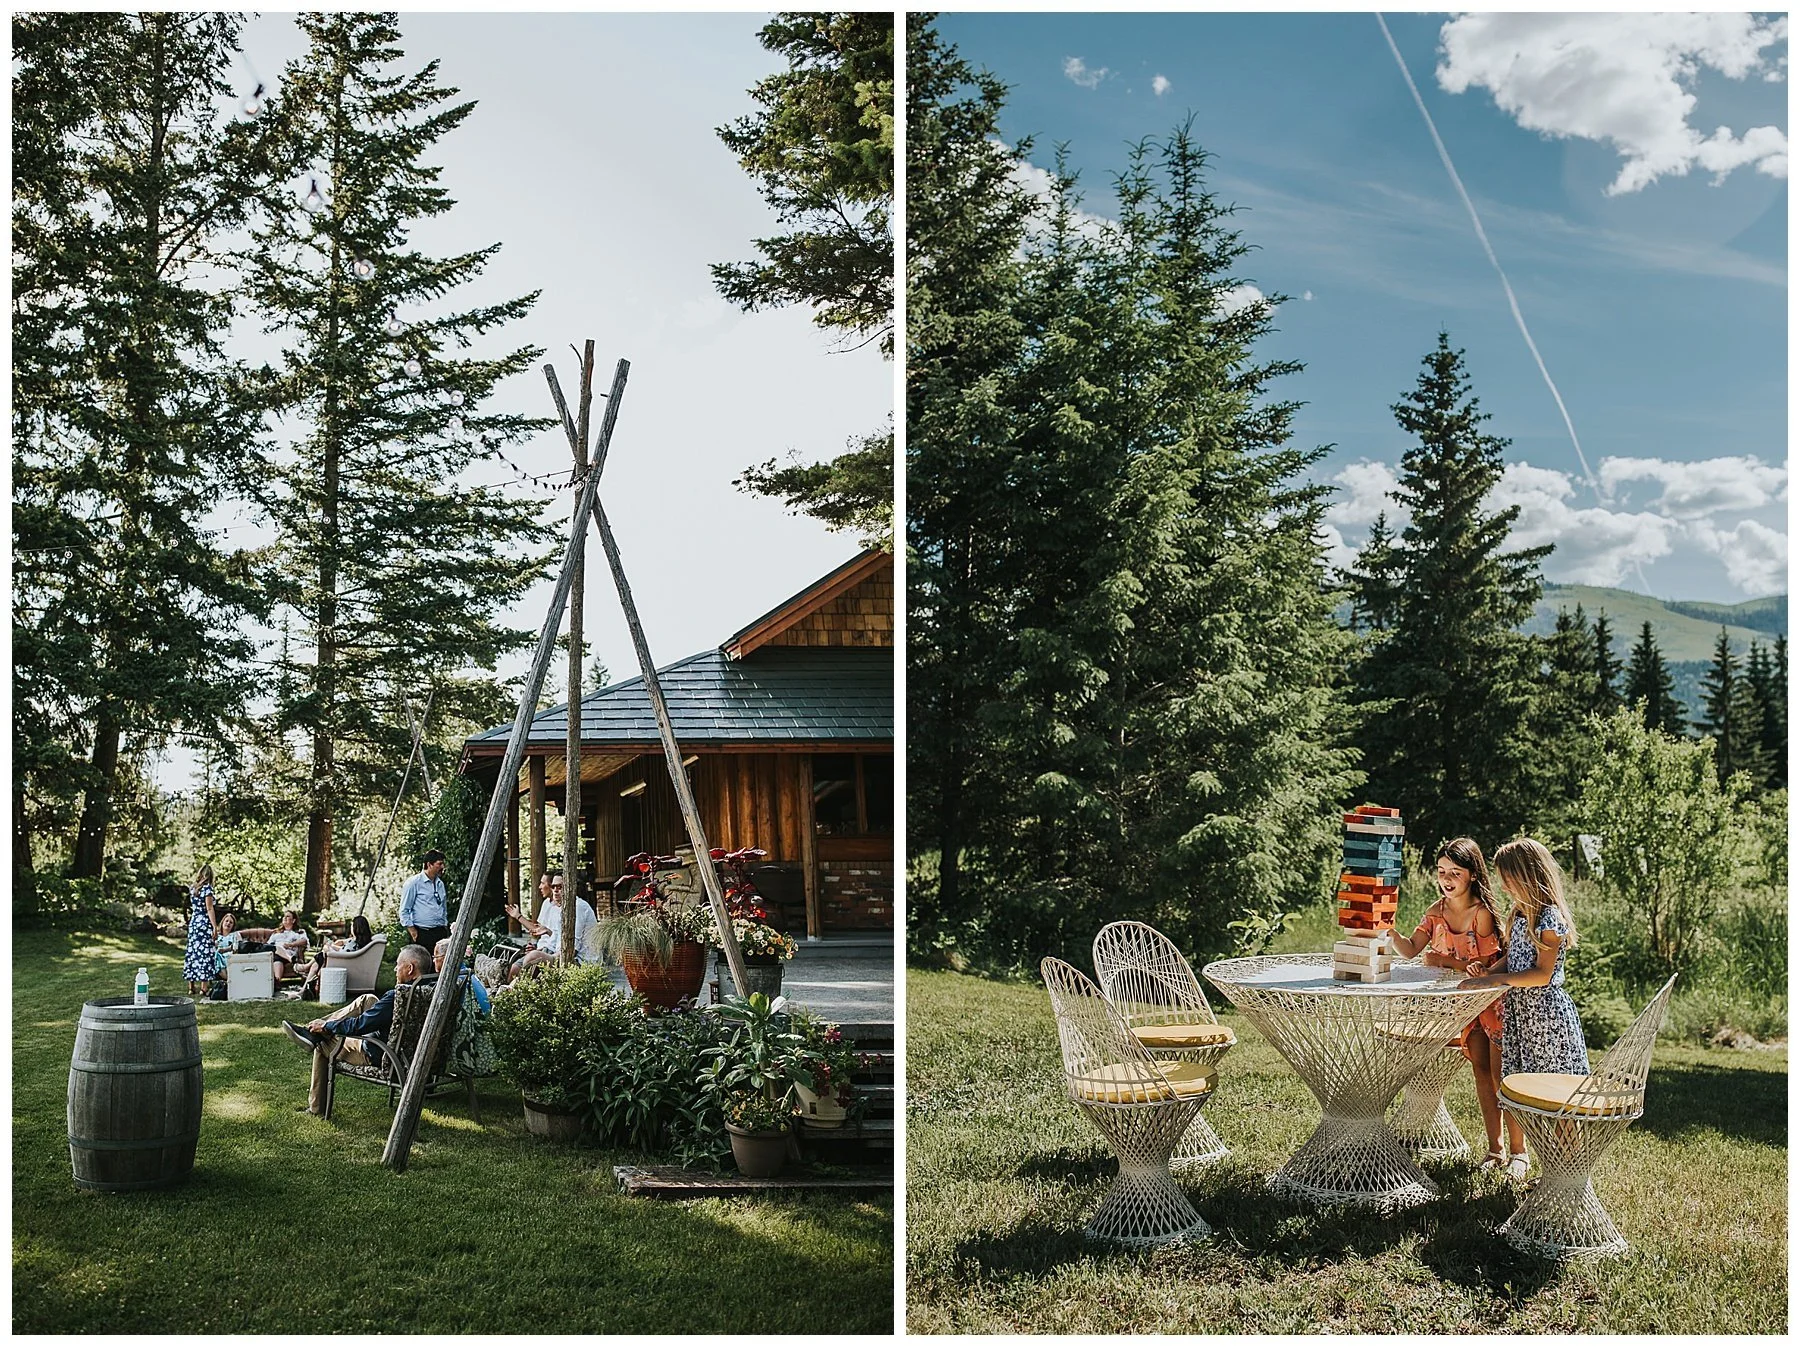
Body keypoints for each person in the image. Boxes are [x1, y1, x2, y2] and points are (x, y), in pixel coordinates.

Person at [1458, 838, 1590, 1182]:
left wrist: (1494, 984)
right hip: (1521, 1018)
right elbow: (1512, 959)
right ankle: (1550, 1167)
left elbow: (1542, 974)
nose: (1503, 885)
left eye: (1508, 878)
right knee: (1527, 1094)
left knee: (1558, 1101)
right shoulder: (1519, 914)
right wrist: (1489, 972)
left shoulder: (1549, 918)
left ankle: (1570, 1171)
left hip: (1547, 1020)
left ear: (1528, 875)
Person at [1386, 837, 1518, 1171]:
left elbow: (1489, 970)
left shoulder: (1482, 915)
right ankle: (1495, 1150)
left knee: (1502, 1078)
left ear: (1473, 875)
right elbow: (1412, 950)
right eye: (1441, 871)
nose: (1446, 878)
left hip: (1493, 1003)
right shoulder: (1436, 912)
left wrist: (1447, 962)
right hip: (1464, 1007)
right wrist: (1388, 931)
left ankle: (1520, 1153)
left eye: (1455, 872)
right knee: (1481, 1073)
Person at [283, 943, 432, 1115]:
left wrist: (327, 1026)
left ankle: (316, 1108)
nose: (394, 969)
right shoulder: (432, 990)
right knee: (367, 999)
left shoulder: (398, 997)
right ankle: (312, 1031)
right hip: (411, 1053)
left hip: (381, 1053)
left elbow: (359, 1025)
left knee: (322, 1045)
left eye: (397, 965)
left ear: (410, 968)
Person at [503, 872, 597, 981]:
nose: (555, 890)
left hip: (581, 962)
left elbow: (572, 949)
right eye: (553, 887)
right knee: (516, 968)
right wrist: (540, 948)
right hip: (556, 952)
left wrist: (545, 957)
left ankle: (517, 991)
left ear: (570, 887)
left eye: (560, 887)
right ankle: (511, 993)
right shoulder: (559, 908)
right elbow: (555, 939)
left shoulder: (578, 907)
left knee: (533, 958)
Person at [299, 915, 376, 998]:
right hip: (346, 962)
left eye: (351, 925)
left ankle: (304, 977)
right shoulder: (361, 941)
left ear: (356, 928)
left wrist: (328, 949)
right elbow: (345, 951)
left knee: (318, 961)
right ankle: (304, 985)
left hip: (341, 964)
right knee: (317, 962)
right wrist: (332, 947)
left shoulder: (354, 944)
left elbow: (343, 955)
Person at [400, 850, 451, 952]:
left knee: (439, 965)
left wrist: (445, 925)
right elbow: (404, 910)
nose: (442, 867)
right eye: (439, 864)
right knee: (423, 965)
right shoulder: (414, 883)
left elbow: (443, 906)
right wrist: (414, 932)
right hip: (423, 933)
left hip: (440, 932)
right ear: (429, 864)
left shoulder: (440, 884)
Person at [183, 864, 220, 996]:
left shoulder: (193, 888)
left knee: (193, 952)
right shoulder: (207, 889)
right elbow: (209, 909)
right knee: (205, 952)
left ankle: (191, 987)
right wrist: (215, 926)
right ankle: (203, 988)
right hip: (204, 923)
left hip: (194, 923)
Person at [269, 910, 312, 984]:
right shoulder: (276, 932)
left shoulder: (299, 932)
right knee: (277, 956)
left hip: (288, 952)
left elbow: (304, 941)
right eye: (284, 916)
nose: (285, 918)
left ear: (293, 920)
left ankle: (277, 981)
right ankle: (277, 981)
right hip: (275, 953)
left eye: (288, 916)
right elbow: (269, 944)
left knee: (278, 958)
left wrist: (291, 945)